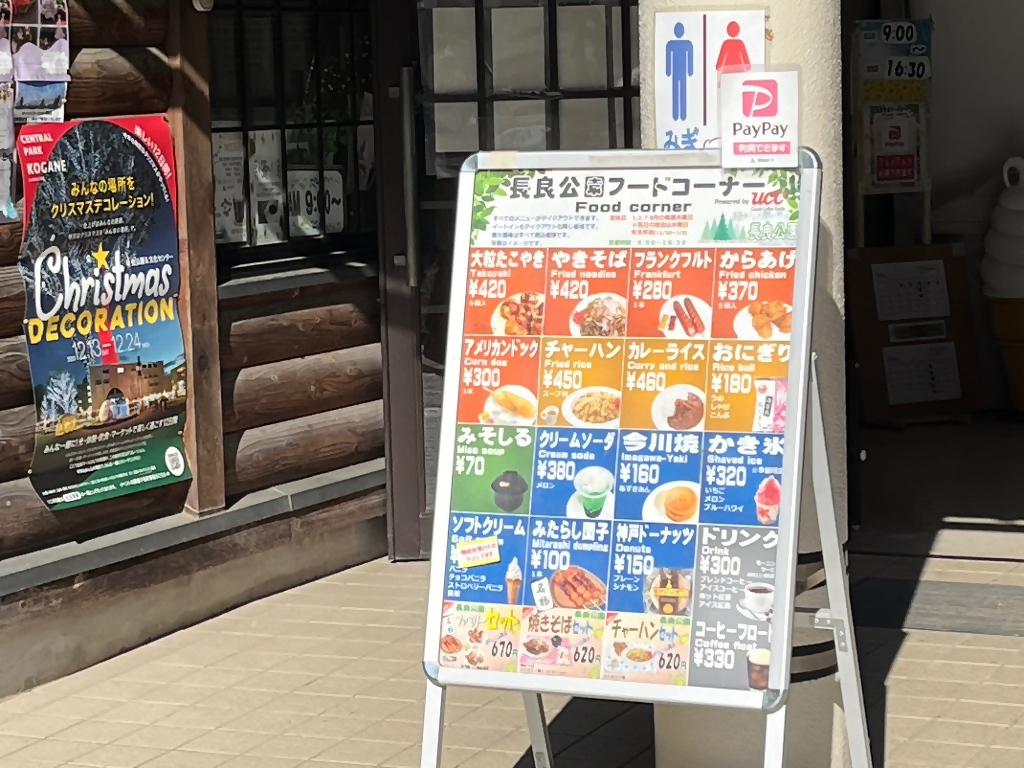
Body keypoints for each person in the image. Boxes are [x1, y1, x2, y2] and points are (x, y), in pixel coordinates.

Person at [665, 22, 694, 122]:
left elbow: (690, 58)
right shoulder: (684, 44)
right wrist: (690, 71)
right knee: (679, 91)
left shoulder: (674, 44)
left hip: (679, 72)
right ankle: (679, 115)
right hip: (679, 72)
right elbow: (668, 58)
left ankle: (680, 115)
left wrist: (690, 70)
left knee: (679, 91)